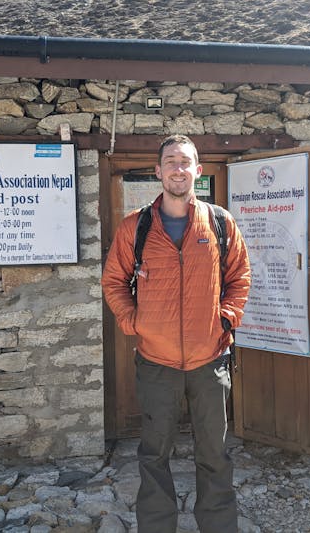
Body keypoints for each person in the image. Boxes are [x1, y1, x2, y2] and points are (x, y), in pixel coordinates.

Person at [101, 134, 251, 533]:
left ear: (198, 171)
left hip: (210, 359)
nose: (178, 169)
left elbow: (239, 278)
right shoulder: (137, 226)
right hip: (156, 362)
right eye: (171, 162)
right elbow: (114, 281)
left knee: (215, 454)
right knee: (153, 455)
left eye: (186, 162)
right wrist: (134, 323)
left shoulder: (220, 223)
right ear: (158, 171)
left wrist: (225, 319)